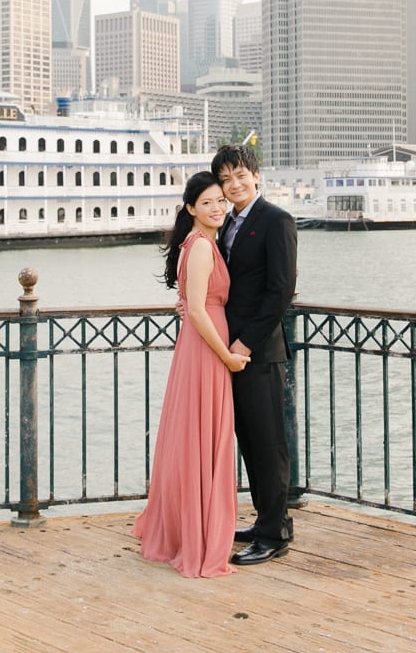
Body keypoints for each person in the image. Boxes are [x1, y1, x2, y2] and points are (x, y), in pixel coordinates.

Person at [133, 171, 250, 577]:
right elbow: (199, 310)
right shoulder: (200, 247)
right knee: (204, 437)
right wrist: (228, 358)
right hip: (206, 349)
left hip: (200, 345)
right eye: (207, 203)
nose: (217, 207)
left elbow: (192, 303)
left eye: (221, 200)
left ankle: (189, 526)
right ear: (190, 209)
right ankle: (198, 536)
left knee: (197, 436)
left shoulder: (200, 245)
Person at [213, 142, 298, 565]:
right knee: (247, 439)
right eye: (225, 179)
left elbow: (280, 289)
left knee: (269, 443)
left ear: (256, 175)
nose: (233, 184)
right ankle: (266, 517)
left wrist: (246, 342)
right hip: (231, 349)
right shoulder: (227, 224)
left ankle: (276, 533)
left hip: (258, 351)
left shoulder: (276, 220)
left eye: (240, 176)